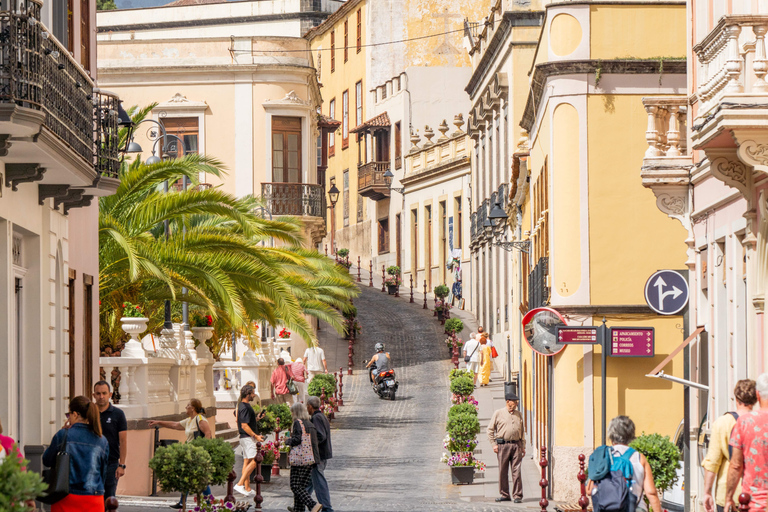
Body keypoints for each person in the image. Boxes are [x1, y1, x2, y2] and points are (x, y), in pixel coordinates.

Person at [43, 396, 109, 512]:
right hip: (94, 498)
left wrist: (62, 433)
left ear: (75, 414)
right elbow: (103, 473)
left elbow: (47, 460)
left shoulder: (63, 435)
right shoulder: (101, 440)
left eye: (68, 415)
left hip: (65, 497)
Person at [588, 416, 662, 512]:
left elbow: (589, 490)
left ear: (610, 436)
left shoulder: (602, 456)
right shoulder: (639, 458)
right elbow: (651, 492)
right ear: (631, 435)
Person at [702, 379, 756, 512]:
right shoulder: (761, 422)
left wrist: (707, 492)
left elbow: (712, 462)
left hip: (728, 494)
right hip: (756, 494)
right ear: (755, 399)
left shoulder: (722, 423)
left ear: (736, 398)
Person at [148, 399, 212, 508]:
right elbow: (174, 425)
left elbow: (208, 434)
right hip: (190, 454)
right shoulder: (189, 420)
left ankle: (209, 503)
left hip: (197, 455)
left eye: (187, 405)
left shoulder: (200, 419)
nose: (185, 407)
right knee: (186, 477)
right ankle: (183, 502)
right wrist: (159, 422)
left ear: (193, 408)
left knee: (201, 481)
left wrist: (202, 451)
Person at [726, 373, 768, 512]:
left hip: (755, 503)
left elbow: (736, 465)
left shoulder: (745, 422)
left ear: (757, 394)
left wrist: (729, 497)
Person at [487, 389, 526, 503]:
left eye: (517, 402)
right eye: (514, 402)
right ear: (508, 401)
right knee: (502, 471)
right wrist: (494, 444)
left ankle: (517, 495)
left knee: (516, 471)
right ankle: (505, 494)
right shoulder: (498, 413)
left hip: (516, 445)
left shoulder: (519, 414)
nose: (516, 404)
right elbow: (490, 430)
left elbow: (522, 431)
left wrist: (523, 446)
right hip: (503, 446)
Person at [93, 381, 127, 500]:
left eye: (104, 393)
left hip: (111, 463)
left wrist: (121, 465)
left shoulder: (118, 414)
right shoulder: (89, 414)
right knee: (93, 498)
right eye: (98, 393)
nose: (101, 397)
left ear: (110, 394)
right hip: (91, 462)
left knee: (109, 498)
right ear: (94, 395)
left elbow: (123, 441)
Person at [285, 403, 323, 512]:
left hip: (300, 460)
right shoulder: (310, 423)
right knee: (301, 486)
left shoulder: (298, 423)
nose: (291, 414)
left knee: (295, 486)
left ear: (296, 412)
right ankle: (299, 509)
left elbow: (297, 439)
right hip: (310, 460)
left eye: (292, 412)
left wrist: (287, 441)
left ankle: (312, 504)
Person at [233, 385, 263, 496]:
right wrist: (256, 436)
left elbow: (247, 422)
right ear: (248, 394)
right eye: (253, 393)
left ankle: (247, 488)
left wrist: (257, 418)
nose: (254, 395)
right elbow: (244, 425)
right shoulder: (244, 407)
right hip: (247, 438)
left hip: (245, 437)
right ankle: (240, 484)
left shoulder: (243, 406)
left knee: (247, 461)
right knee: (255, 460)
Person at [306, 396, 333, 512]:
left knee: (319, 481)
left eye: (307, 406)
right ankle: (300, 502)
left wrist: (309, 443)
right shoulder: (321, 416)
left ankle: (326, 507)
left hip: (319, 455)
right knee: (310, 481)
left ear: (310, 407)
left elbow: (320, 436)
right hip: (321, 454)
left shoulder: (316, 418)